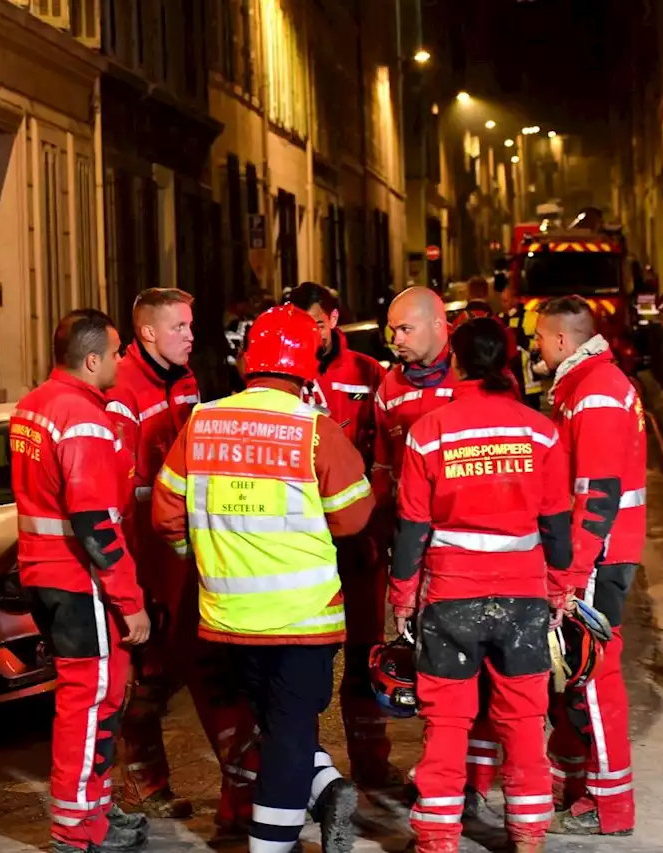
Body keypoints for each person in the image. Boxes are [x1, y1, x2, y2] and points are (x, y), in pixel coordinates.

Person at [151, 304, 375, 853]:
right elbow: (354, 515)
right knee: (294, 733)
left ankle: (326, 790)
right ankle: (272, 845)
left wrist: (204, 556)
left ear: (247, 360)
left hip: (227, 618)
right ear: (307, 366)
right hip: (302, 621)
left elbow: (165, 517)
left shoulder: (201, 423)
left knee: (276, 726)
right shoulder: (313, 429)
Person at [390, 317, 576, 853]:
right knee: (523, 719)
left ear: (459, 361)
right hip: (523, 598)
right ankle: (529, 835)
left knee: (446, 721)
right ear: (509, 361)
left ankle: (437, 838)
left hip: (451, 597)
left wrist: (402, 594)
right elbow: (556, 524)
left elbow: (412, 528)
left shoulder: (430, 431)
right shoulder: (540, 431)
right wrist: (560, 587)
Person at [105, 288, 256, 825]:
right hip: (148, 563)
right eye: (180, 327)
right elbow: (121, 498)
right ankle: (144, 786)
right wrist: (134, 586)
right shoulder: (121, 392)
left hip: (188, 556)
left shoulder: (186, 381)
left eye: (191, 326)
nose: (192, 336)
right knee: (147, 683)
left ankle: (241, 791)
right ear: (148, 333)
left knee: (211, 674)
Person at [10, 309, 153, 853]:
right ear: (92, 360)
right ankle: (76, 831)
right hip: (78, 580)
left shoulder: (35, 405)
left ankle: (96, 813)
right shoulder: (82, 419)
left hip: (45, 574)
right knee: (89, 703)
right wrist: (131, 602)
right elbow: (95, 525)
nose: (121, 361)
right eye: (116, 352)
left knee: (100, 694)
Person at [373, 286, 510, 810]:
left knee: (482, 679)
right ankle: (450, 780)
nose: (396, 340)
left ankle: (470, 780)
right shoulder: (390, 388)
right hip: (422, 551)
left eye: (405, 329)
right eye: (392, 330)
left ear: (439, 327)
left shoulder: (479, 380)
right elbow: (385, 469)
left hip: (475, 554)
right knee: (438, 678)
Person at [533, 296, 646, 837]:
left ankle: (610, 808)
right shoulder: (586, 386)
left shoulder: (595, 393)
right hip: (597, 555)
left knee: (594, 676)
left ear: (561, 341)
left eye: (538, 337)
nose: (533, 346)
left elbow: (596, 495)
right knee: (573, 676)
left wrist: (571, 576)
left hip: (598, 557)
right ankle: (578, 786)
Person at [287, 282, 394, 787]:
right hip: (304, 547)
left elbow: (385, 456)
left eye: (316, 323)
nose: (310, 335)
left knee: (366, 653)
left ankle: (371, 764)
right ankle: (306, 769)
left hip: (359, 539)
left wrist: (372, 526)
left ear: (332, 319)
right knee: (304, 662)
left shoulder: (369, 374)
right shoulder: (287, 376)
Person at [501, 283, 544, 408]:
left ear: (516, 299)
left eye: (506, 300)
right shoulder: (499, 319)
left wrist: (526, 342)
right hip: (508, 384)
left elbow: (541, 345)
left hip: (529, 385)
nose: (504, 305)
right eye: (502, 301)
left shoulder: (533, 318)